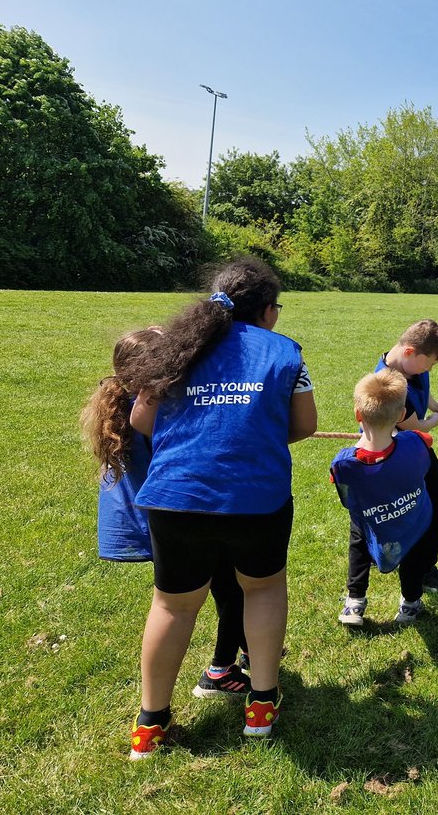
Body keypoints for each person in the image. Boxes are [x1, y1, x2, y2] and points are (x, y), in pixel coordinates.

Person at [123, 258, 317, 759]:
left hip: (174, 496)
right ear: (268, 311)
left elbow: (141, 419)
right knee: (264, 587)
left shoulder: (175, 348)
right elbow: (305, 425)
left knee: (172, 603)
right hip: (258, 496)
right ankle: (261, 706)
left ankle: (150, 725)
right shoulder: (288, 351)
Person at [81, 329, 251, 706]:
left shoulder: (122, 400)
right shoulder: (154, 411)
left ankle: (246, 649)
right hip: (183, 518)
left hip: (164, 520)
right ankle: (220, 672)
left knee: (222, 588)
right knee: (231, 589)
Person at [341, 319, 438, 626]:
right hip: (400, 455)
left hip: (416, 450)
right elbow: (412, 424)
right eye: (428, 364)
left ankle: (425, 569)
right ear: (408, 351)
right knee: (398, 519)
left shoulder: (411, 368)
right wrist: (433, 420)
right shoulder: (388, 382)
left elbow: (423, 386)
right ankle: (386, 590)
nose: (428, 371)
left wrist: (435, 402)